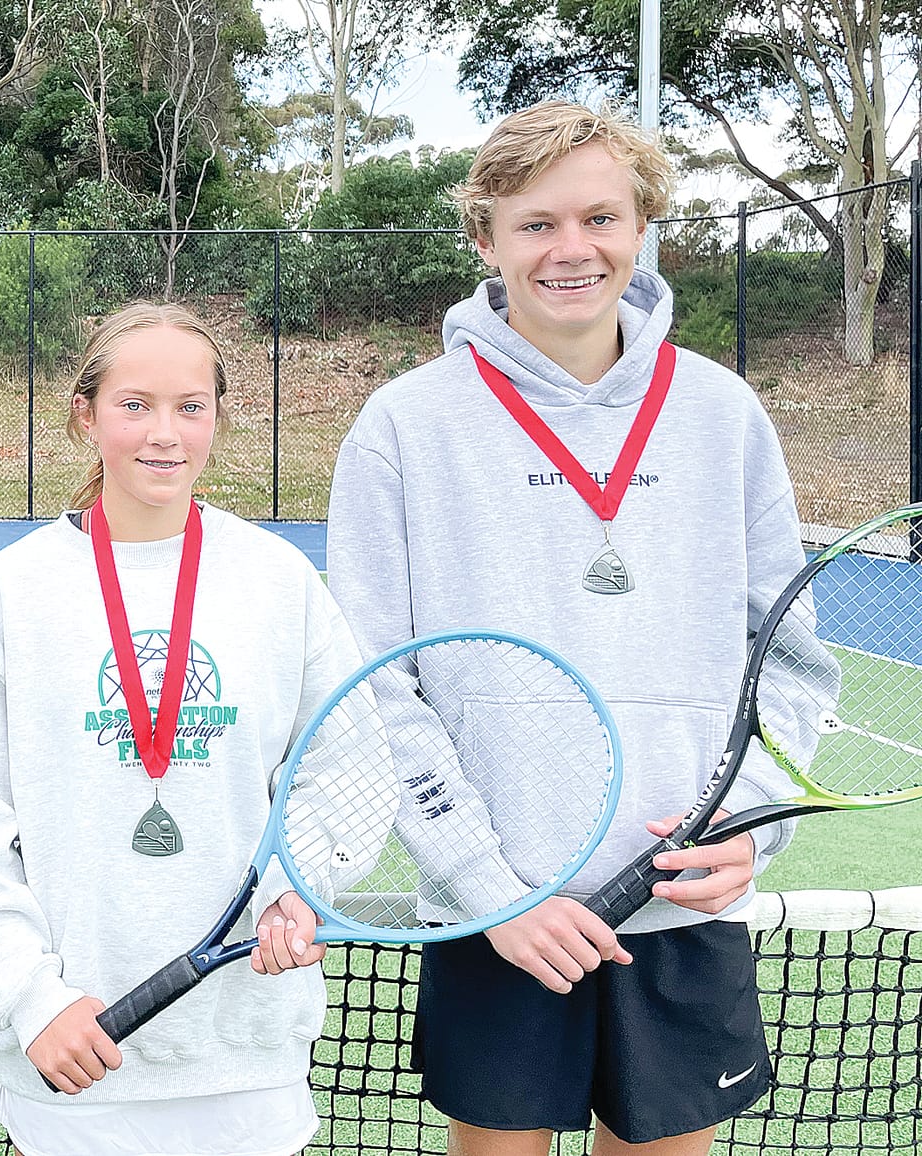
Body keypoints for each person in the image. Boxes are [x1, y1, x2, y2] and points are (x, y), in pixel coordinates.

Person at [326, 101, 805, 1156]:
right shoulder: (403, 424)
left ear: (641, 227)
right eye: (535, 224)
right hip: (499, 912)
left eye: (599, 218)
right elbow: (372, 685)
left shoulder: (724, 413)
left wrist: (751, 823)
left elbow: (789, 660)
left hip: (682, 907)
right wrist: (488, 887)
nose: (570, 248)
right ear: (484, 238)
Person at [0, 301, 367, 1156]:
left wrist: (296, 887)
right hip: (74, 1058)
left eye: (190, 406)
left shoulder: (278, 580)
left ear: (218, 418)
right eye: (135, 405)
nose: (165, 433)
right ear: (85, 415)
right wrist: (31, 1001)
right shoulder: (16, 588)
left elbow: (346, 766)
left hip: (247, 1057)